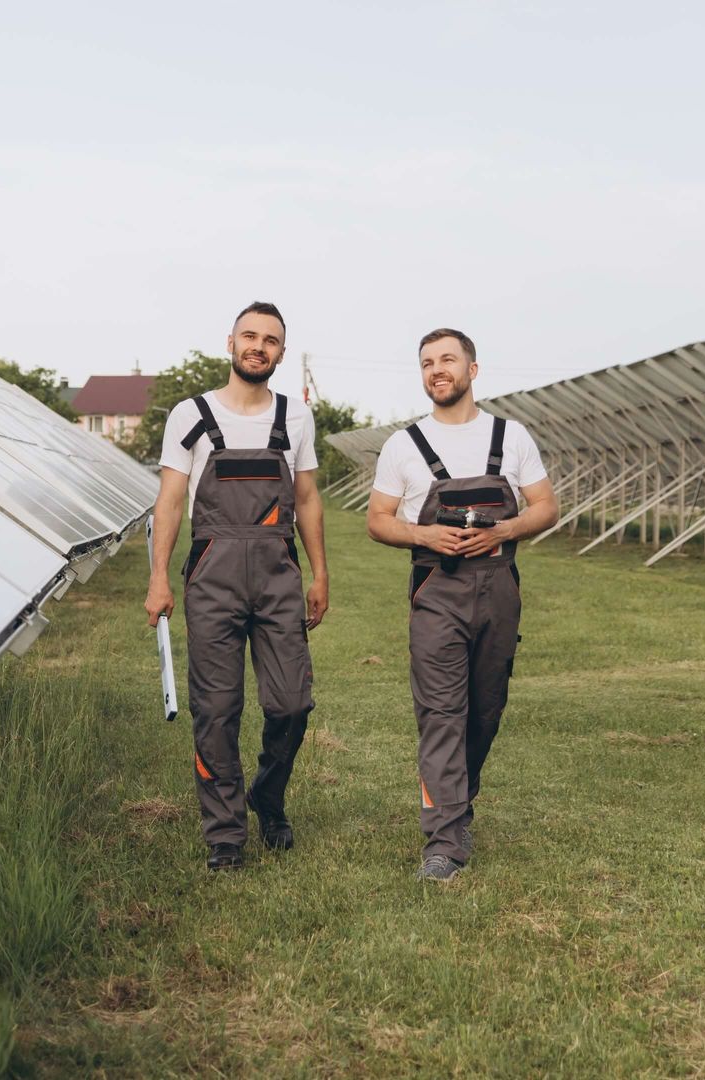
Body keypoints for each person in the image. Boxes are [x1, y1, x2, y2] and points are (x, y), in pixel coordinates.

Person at [366, 329, 558, 881]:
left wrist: (508, 526)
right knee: (441, 713)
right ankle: (444, 841)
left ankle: (458, 799)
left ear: (473, 370)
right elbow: (378, 520)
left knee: (484, 709)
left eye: (447, 360)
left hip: (499, 586)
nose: (436, 370)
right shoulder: (404, 446)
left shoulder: (511, 436)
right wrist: (425, 537)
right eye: (427, 363)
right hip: (436, 590)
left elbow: (546, 506)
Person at [144, 301, 327, 871]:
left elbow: (308, 498)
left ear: (280, 351)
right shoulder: (190, 414)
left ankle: (267, 795)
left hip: (278, 575)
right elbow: (172, 499)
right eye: (250, 336)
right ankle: (225, 833)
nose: (259, 346)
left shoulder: (295, 417)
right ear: (230, 342)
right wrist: (157, 578)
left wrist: (321, 573)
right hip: (212, 576)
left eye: (271, 340)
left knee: (292, 703)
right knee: (216, 709)